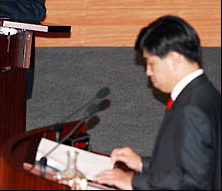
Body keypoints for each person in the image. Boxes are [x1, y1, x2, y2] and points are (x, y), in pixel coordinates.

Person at [94, 15, 221, 190]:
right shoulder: (205, 93)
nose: (148, 72)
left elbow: (193, 182)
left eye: (151, 63)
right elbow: (196, 164)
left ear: (174, 60)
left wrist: (131, 182)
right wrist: (142, 164)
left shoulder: (191, 108)